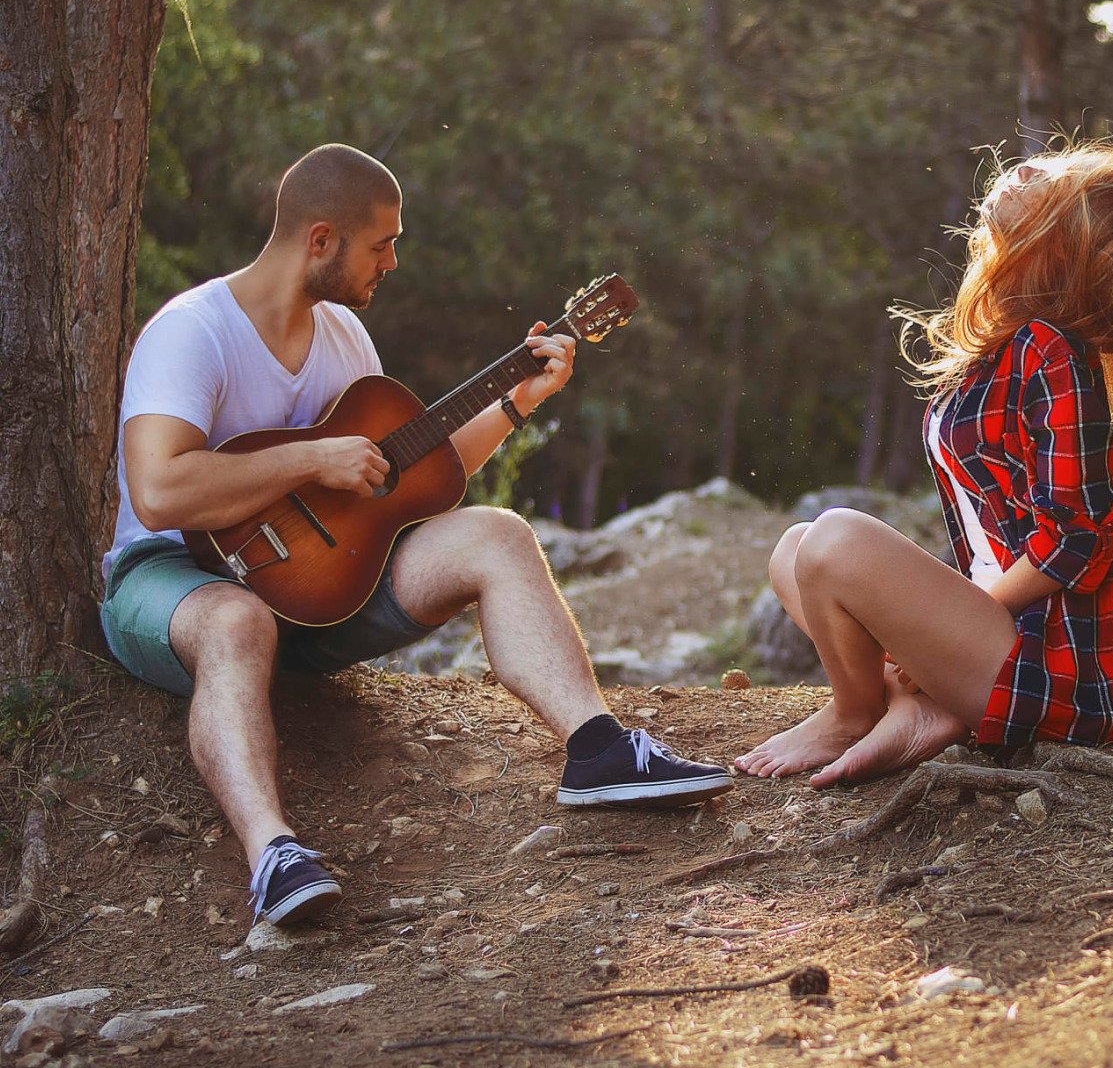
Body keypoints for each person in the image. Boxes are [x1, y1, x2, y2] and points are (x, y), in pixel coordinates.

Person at [100, 144, 732, 927]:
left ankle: (598, 750)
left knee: (496, 534)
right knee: (238, 621)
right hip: (175, 579)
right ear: (321, 240)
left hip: (318, 593)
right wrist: (313, 459)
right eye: (382, 244)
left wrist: (519, 401)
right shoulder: (192, 332)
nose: (393, 263)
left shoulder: (343, 338)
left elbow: (404, 479)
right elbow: (158, 491)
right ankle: (274, 857)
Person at [735, 34, 1113, 787]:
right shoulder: (998, 354)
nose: (1027, 165)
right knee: (795, 550)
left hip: (1064, 674)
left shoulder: (1052, 351)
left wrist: (969, 608)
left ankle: (856, 713)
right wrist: (937, 629)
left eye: (1051, 184)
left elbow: (1078, 534)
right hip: (997, 645)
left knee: (835, 540)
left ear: (1064, 247)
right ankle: (924, 707)